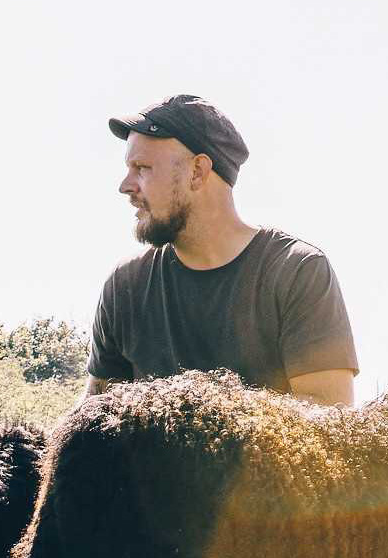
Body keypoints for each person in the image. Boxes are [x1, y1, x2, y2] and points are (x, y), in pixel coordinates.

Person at [84, 94, 358, 407]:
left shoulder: (297, 271)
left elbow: (329, 428)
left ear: (198, 171)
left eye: (142, 167)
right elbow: (92, 426)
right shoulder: (125, 286)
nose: (125, 185)